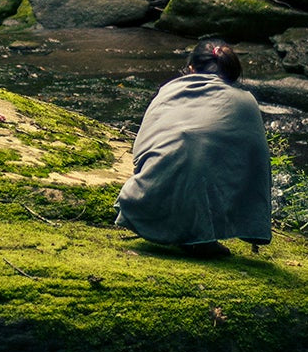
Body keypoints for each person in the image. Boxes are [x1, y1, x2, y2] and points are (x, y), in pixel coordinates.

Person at [114, 38, 272, 259]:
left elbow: (141, 149)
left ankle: (180, 228)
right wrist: (255, 224)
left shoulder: (167, 91)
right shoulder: (245, 101)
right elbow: (257, 164)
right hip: (198, 206)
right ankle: (201, 238)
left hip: (142, 200)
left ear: (191, 68)